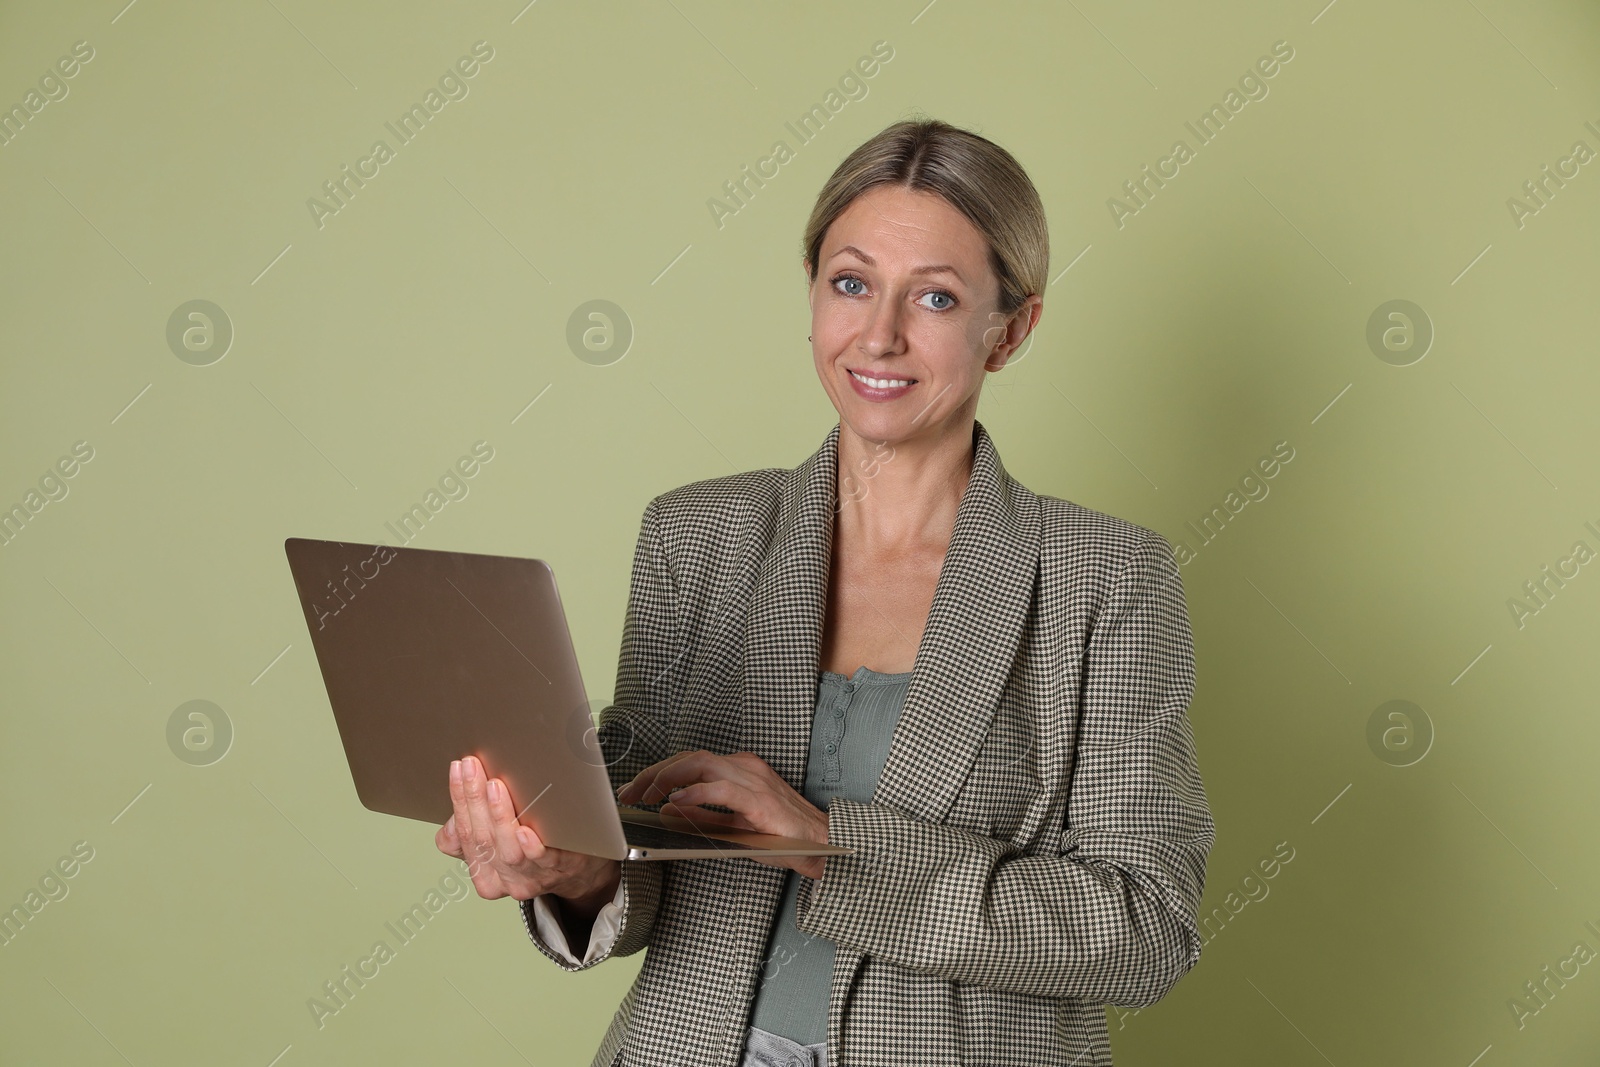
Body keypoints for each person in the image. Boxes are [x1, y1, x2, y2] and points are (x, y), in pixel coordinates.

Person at [436, 117, 1215, 1067]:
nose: (879, 335)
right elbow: (644, 852)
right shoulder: (699, 537)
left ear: (1009, 329)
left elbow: (1146, 927)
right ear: (812, 293)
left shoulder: (1106, 579)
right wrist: (575, 867)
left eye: (934, 297)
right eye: (851, 283)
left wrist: (829, 842)